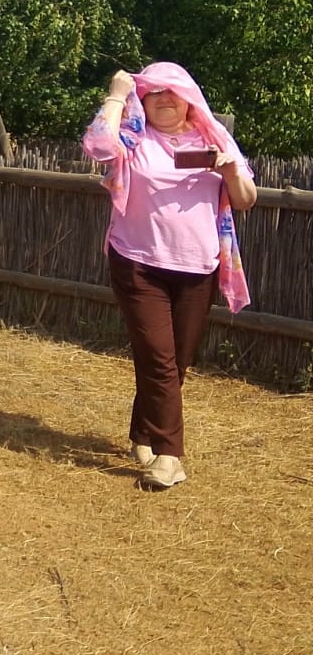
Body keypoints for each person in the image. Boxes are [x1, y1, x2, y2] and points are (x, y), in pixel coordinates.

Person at [84, 62, 256, 490]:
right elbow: (98, 146)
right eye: (153, 92)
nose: (163, 99)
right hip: (138, 262)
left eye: (172, 92)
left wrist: (229, 170)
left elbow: (246, 199)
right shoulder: (133, 135)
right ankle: (169, 456)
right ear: (143, 99)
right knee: (159, 359)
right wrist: (116, 94)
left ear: (188, 98)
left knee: (174, 363)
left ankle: (143, 433)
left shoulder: (214, 138)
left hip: (198, 268)